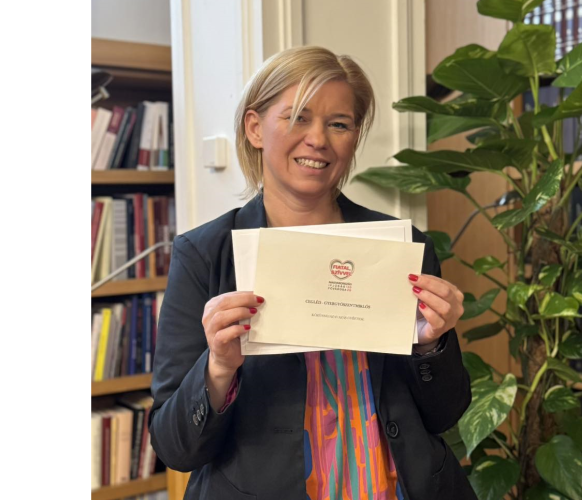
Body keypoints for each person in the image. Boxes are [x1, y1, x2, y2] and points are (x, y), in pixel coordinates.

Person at [149, 45, 477, 500]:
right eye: (298, 117)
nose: (318, 139)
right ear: (255, 128)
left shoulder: (403, 248)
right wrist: (219, 368)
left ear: (354, 138)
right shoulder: (204, 255)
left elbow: (444, 415)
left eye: (339, 124)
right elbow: (174, 447)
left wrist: (431, 345)